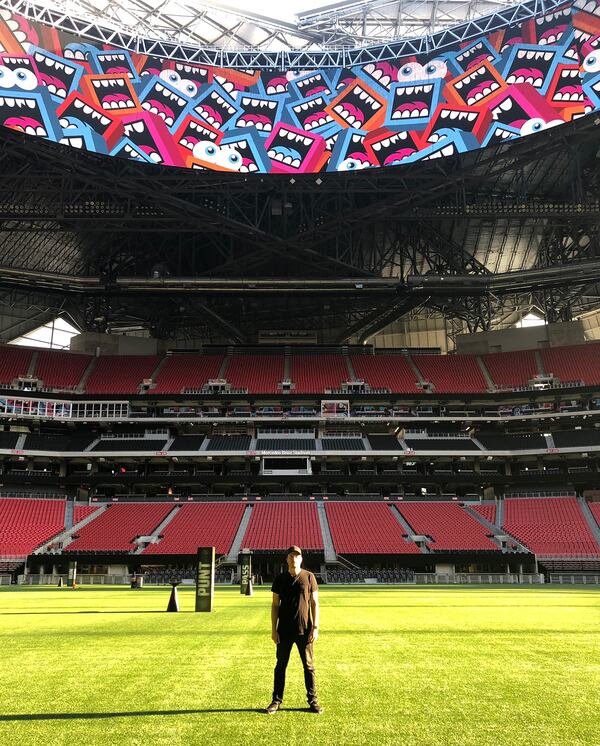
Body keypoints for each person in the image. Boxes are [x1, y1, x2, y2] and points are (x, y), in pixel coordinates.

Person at [265, 546, 323, 715]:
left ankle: (313, 701)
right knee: (281, 666)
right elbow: (275, 605)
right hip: (283, 630)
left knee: (309, 666)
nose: (294, 558)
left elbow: (314, 603)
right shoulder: (280, 579)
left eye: (297, 556)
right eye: (291, 555)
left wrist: (315, 627)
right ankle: (276, 701)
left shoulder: (309, 577)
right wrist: (273, 629)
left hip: (304, 630)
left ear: (301, 559)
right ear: (287, 559)